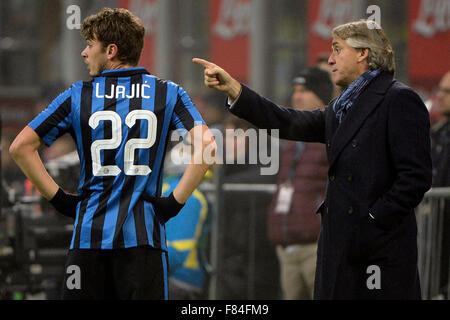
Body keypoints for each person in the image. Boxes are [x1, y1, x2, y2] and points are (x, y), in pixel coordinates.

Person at [193, 19, 432, 299]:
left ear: (363, 53)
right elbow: (287, 121)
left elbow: (415, 177)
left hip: (378, 253)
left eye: (337, 49)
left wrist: (371, 220)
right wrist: (235, 89)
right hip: (340, 248)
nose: (330, 60)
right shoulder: (341, 107)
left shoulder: (399, 99)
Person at [9, 8, 216, 300]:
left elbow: (20, 147)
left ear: (111, 51)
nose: (84, 53)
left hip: (88, 242)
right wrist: (173, 202)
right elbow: (207, 147)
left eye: (89, 44)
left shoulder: (77, 95)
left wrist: (59, 199)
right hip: (144, 243)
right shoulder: (168, 93)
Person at [267, 67, 332, 300]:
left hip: (316, 245)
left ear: (320, 95)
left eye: (303, 90)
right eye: (295, 90)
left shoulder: (332, 133)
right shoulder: (294, 138)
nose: (296, 96)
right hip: (287, 243)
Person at [162, 144, 210, 299]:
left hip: (179, 278)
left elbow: (179, 250)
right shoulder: (182, 193)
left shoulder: (187, 197)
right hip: (175, 275)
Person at [431, 71, 450, 297]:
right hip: (436, 231)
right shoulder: (437, 133)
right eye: (441, 90)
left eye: (448, 92)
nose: (441, 96)